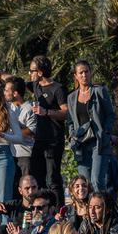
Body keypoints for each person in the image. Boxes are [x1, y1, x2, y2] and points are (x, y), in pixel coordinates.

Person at [66, 60, 117, 193]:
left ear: (90, 73)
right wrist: (72, 135)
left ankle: (103, 212)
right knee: (85, 184)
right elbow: (70, 120)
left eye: (86, 71)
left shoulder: (99, 91)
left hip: (98, 142)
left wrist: (105, 132)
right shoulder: (71, 97)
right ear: (76, 76)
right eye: (80, 73)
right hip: (80, 144)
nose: (84, 75)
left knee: (97, 181)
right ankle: (88, 213)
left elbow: (111, 115)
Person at [27, 56, 68, 192]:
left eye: (32, 70)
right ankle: (42, 209)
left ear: (40, 72)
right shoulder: (36, 86)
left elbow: (66, 113)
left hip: (54, 140)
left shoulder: (58, 88)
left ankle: (58, 211)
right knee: (37, 177)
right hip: (39, 140)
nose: (29, 73)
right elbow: (16, 80)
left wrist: (46, 112)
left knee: (53, 179)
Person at [3, 76, 37, 180]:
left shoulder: (29, 109)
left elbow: (31, 131)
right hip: (10, 155)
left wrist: (11, 130)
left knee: (27, 187)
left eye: (6, 90)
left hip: (25, 156)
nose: (4, 92)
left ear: (15, 93)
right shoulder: (8, 107)